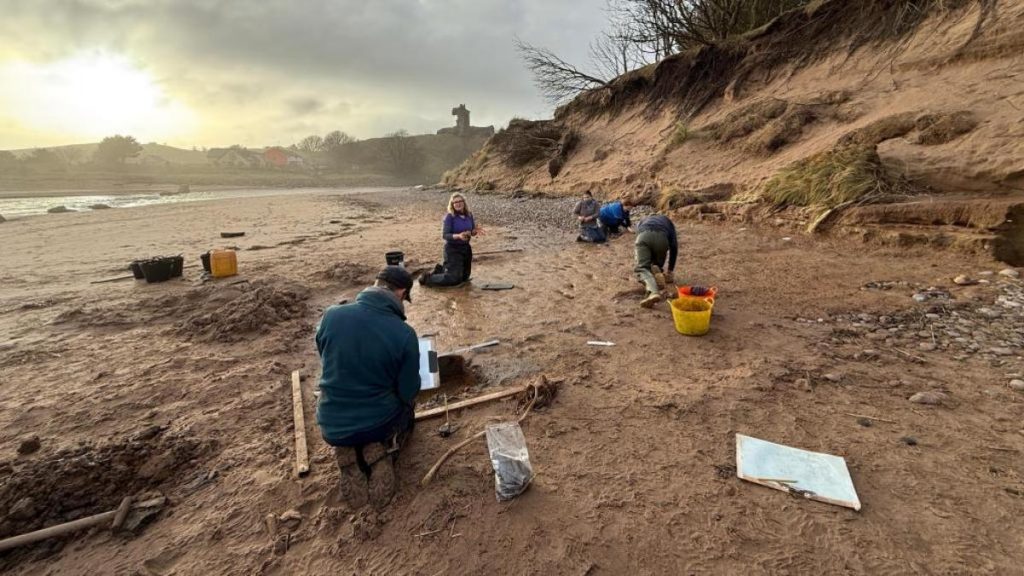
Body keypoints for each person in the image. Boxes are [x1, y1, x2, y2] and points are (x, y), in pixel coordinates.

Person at [316, 266, 420, 509]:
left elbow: (326, 357)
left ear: (376, 283)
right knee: (408, 409)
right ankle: (383, 448)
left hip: (331, 425)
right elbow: (408, 391)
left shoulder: (332, 315)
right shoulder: (404, 334)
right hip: (378, 423)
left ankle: (348, 451)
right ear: (402, 293)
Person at [420, 193, 479, 287]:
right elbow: (445, 235)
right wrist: (458, 236)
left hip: (466, 248)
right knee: (454, 279)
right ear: (452, 205)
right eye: (455, 202)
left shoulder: (469, 215)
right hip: (452, 249)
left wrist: (474, 232)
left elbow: (471, 231)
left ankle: (441, 269)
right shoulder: (449, 217)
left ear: (464, 202)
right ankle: (427, 278)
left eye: (460, 201)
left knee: (464, 277)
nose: (458, 204)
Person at [634, 214, 678, 308]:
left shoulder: (643, 220)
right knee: (657, 265)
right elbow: (674, 247)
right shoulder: (668, 221)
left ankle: (653, 291)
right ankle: (657, 272)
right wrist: (670, 270)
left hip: (643, 236)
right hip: (661, 238)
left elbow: (638, 235)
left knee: (642, 268)